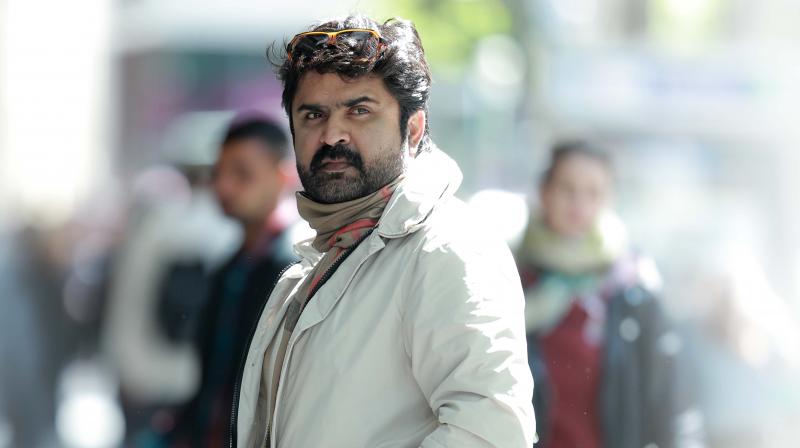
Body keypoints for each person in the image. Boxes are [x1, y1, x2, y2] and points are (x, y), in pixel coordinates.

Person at [231, 14, 536, 448]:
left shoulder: (446, 250)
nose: (332, 135)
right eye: (313, 114)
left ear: (412, 128)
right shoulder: (326, 254)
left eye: (359, 111)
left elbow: (490, 434)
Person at [516, 140, 702, 448]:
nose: (578, 204)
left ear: (609, 199)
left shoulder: (633, 288)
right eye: (567, 189)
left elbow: (674, 402)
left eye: (593, 192)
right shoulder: (510, 283)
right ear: (544, 192)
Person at [165, 117, 298, 447]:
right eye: (218, 173)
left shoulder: (297, 269)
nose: (223, 186)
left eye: (242, 173)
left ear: (282, 176)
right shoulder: (228, 268)